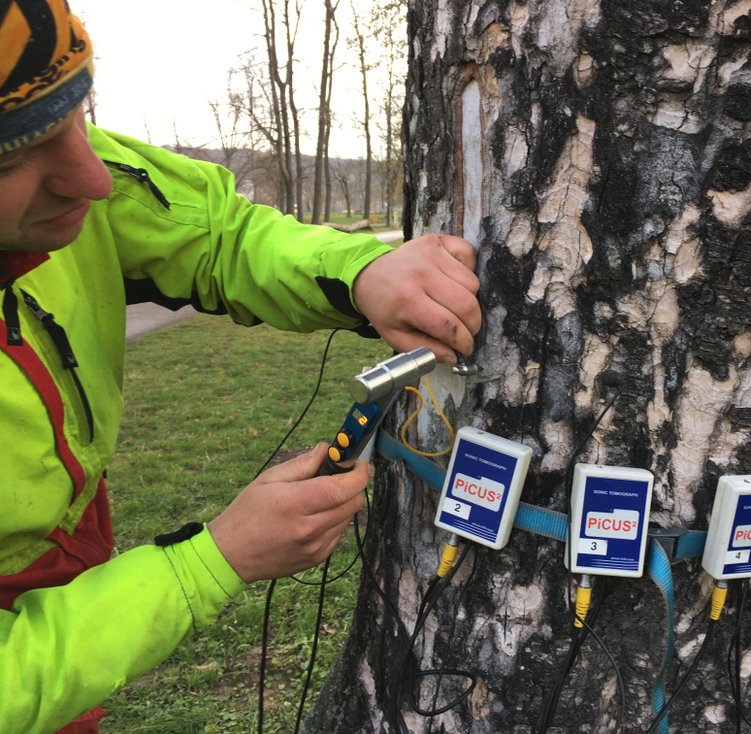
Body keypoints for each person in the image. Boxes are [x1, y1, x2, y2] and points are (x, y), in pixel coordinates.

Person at [0, 2, 481, 732]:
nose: (92, 178)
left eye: (77, 119)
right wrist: (210, 561)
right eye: (10, 158)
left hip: (71, 583)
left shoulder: (77, 180)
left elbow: (215, 235)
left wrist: (363, 273)